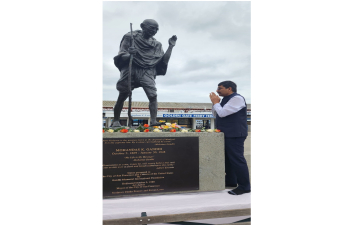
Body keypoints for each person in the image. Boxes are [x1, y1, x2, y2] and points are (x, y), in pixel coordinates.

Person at [111, 19, 177, 127]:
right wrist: (129, 54)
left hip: (147, 70)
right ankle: (116, 120)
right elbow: (122, 55)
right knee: (122, 95)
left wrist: (170, 46)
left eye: (157, 29)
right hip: (131, 68)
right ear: (142, 26)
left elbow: (163, 61)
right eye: (152, 28)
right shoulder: (130, 37)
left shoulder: (157, 44)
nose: (154, 31)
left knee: (153, 96)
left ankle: (153, 121)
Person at [209, 81, 251, 195]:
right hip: (227, 134)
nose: (217, 91)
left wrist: (216, 103)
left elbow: (222, 113)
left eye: (220, 88)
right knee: (228, 160)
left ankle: (244, 186)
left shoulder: (237, 98)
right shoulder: (224, 100)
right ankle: (231, 182)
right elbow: (215, 114)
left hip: (235, 134)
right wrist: (215, 103)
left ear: (229, 89)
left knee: (237, 160)